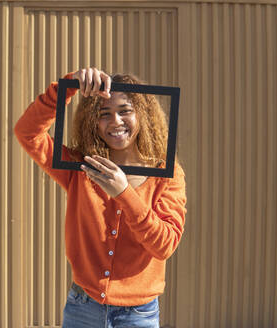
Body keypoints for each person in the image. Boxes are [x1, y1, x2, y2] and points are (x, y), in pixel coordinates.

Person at [14, 67, 187, 328]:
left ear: (144, 114)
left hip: (138, 315)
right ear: (93, 121)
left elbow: (164, 244)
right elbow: (28, 132)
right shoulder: (80, 168)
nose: (115, 121)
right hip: (83, 308)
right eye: (104, 114)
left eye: (125, 111)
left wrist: (124, 194)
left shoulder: (167, 173)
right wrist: (67, 86)